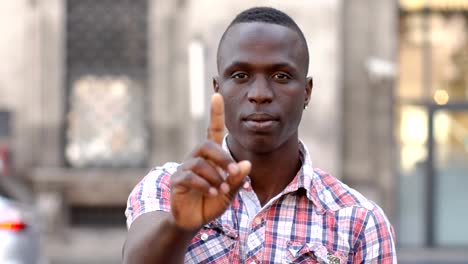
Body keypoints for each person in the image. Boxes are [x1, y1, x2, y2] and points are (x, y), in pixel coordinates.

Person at [123, 6, 396, 264]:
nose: (260, 94)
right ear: (217, 89)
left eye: (281, 76)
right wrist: (179, 226)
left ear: (307, 91)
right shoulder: (168, 187)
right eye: (241, 75)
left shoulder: (361, 221)